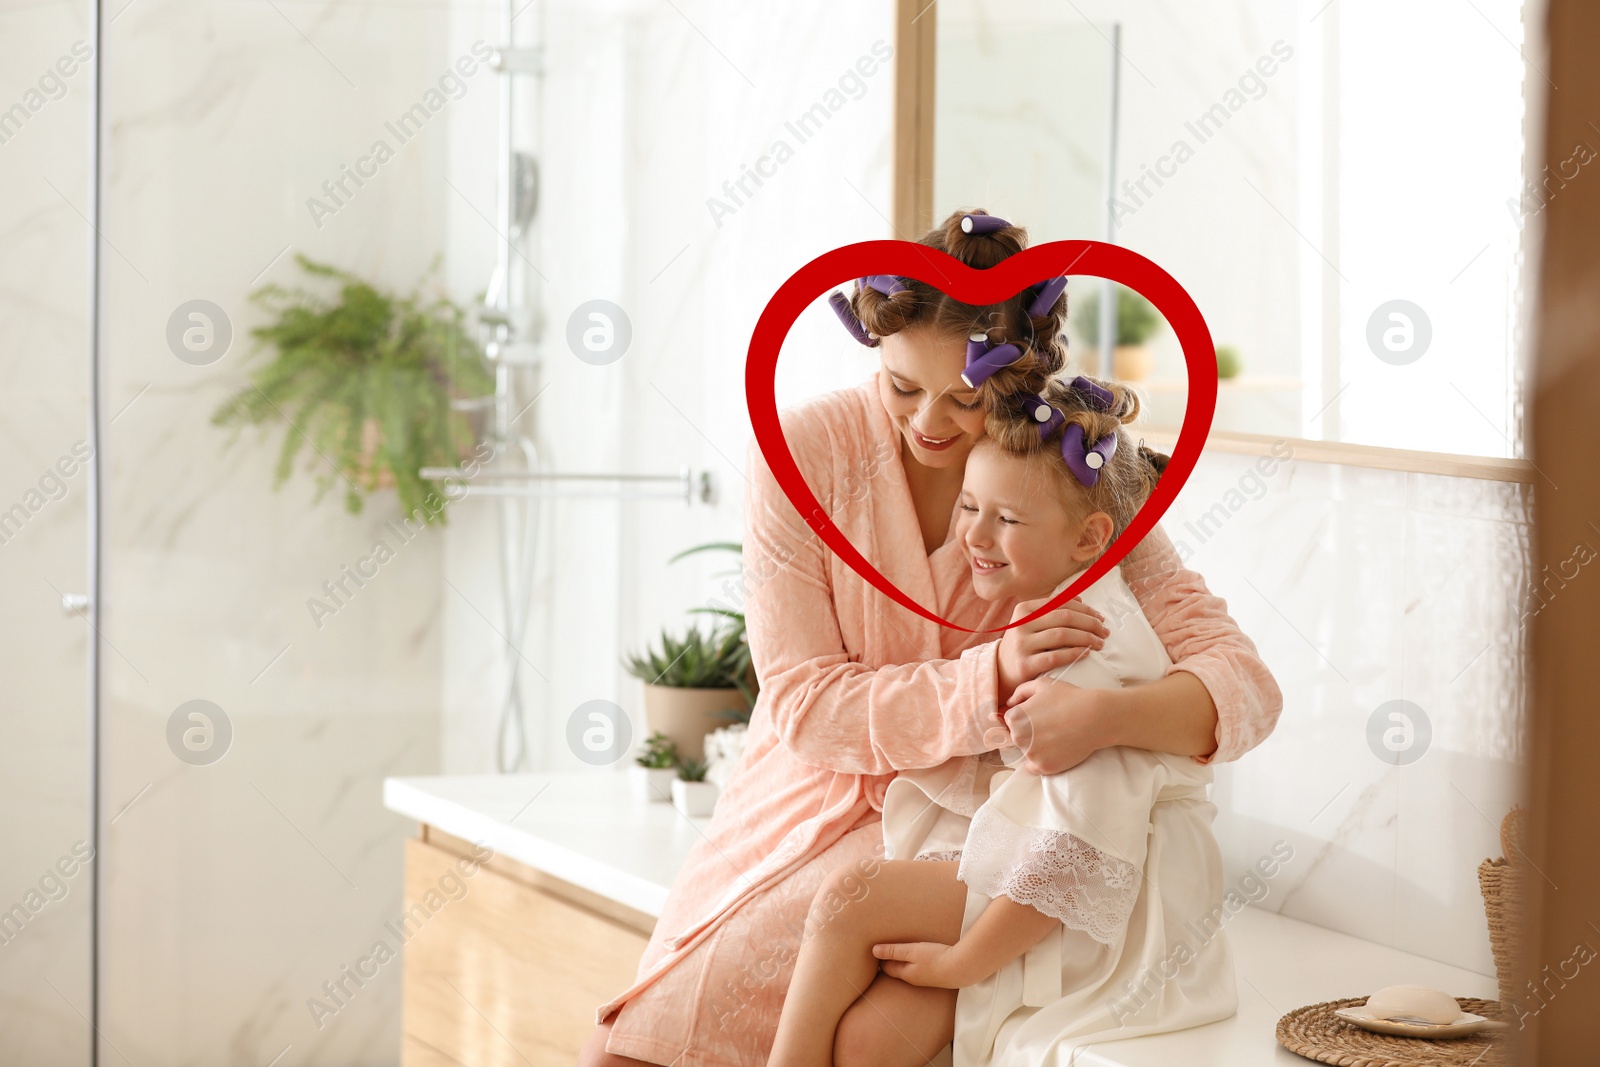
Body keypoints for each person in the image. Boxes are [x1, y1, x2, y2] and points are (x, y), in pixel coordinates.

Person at [579, 210, 1281, 1067]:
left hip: (970, 835)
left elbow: (1244, 682)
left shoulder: (1062, 467)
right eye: (902, 386)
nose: (928, 422)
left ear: (1017, 380)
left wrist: (1099, 719)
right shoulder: (805, 453)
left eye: (965, 397)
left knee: (866, 1038)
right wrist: (991, 680)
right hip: (802, 805)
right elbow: (801, 702)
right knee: (641, 1045)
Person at [767, 375, 1236, 1066]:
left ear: (1090, 538)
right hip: (1035, 873)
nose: (974, 537)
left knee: (849, 898)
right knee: (870, 1040)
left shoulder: (1085, 655)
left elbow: (1076, 863)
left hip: (1107, 908)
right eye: (968, 506)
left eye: (1006, 520)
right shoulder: (1052, 609)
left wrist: (963, 961)